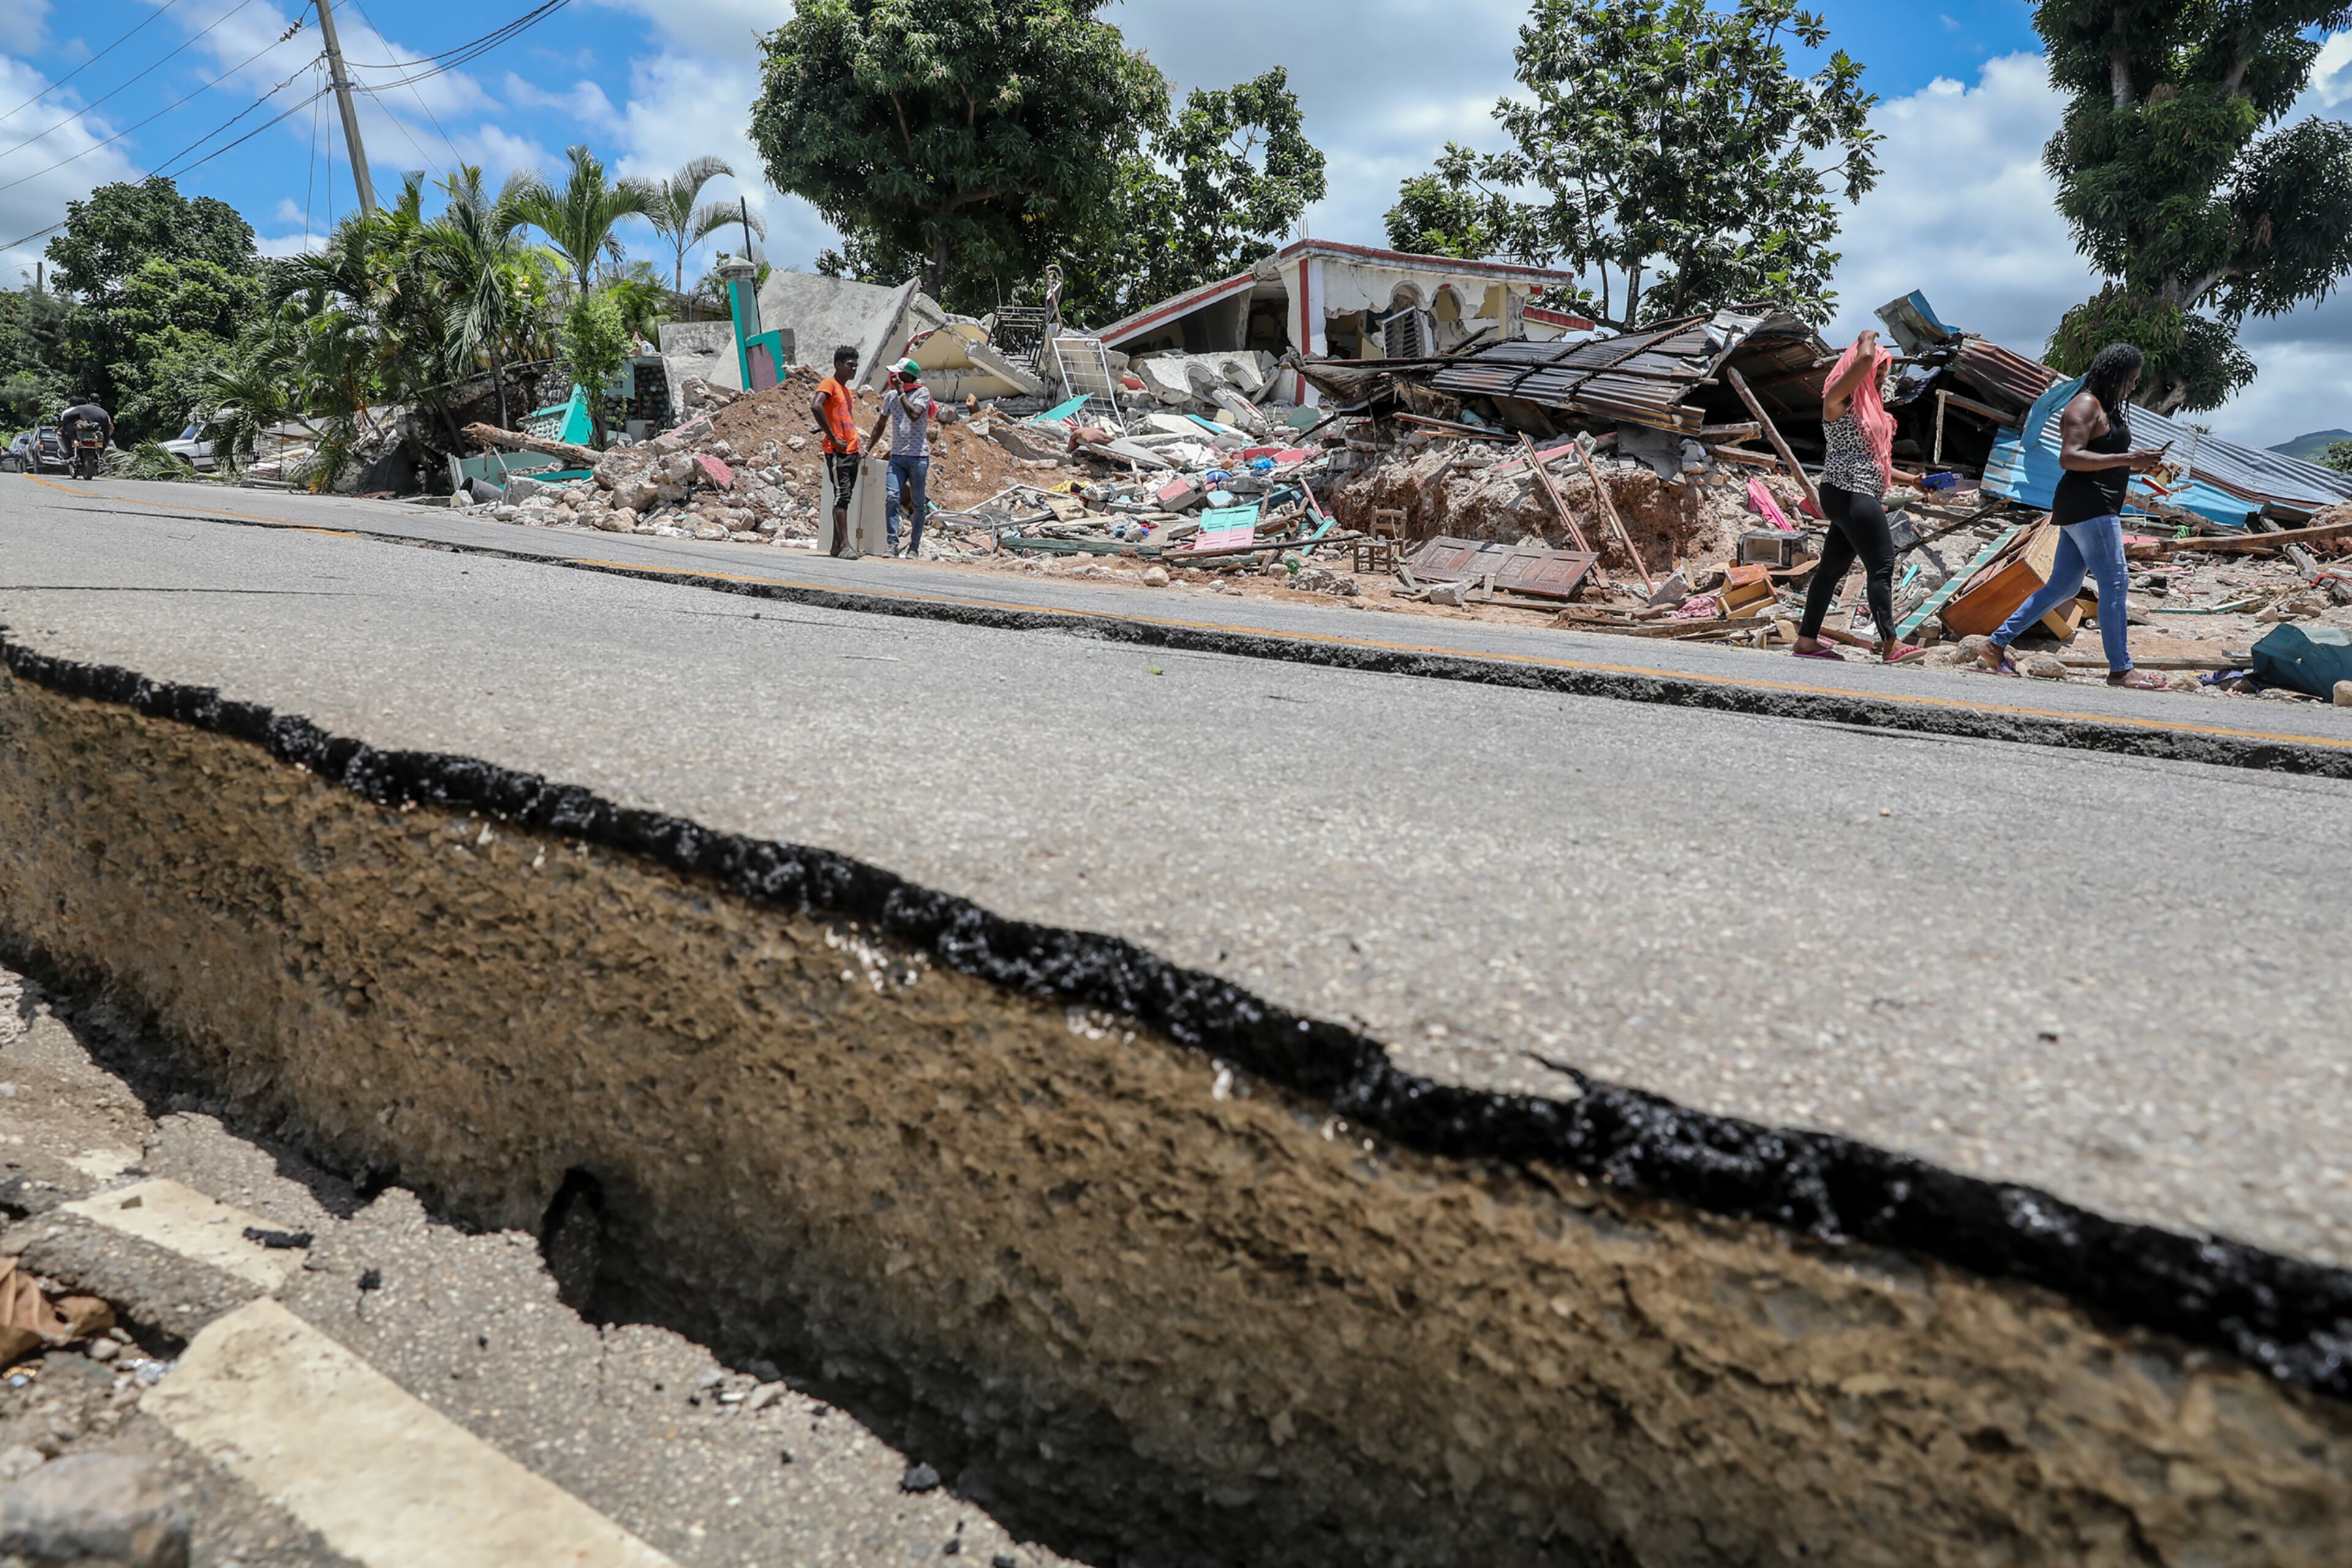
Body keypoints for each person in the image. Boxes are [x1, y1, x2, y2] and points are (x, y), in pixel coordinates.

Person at [1975, 344, 2168, 689]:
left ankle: (1994, 645)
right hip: (2090, 505)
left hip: (2089, 506)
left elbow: (2106, 456)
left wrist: (2142, 464)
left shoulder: (2105, 409)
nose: (2132, 388)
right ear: (2113, 375)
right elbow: (2071, 457)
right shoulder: (2084, 405)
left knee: (2063, 586)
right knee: (2115, 583)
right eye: (2130, 380)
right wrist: (2127, 459)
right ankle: (2121, 670)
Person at [1792, 330, 1928, 663]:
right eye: (1876, 370)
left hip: (1853, 492)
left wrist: (1913, 481)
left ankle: (1807, 640)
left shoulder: (1870, 407)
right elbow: (1864, 357)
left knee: (1831, 570)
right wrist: (1867, 337)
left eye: (1884, 371)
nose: (1880, 375)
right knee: (1882, 565)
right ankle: (1891, 644)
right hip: (1850, 491)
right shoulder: (1837, 399)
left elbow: (1872, 459)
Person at [861, 358, 952, 558]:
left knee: (919, 503)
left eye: (898, 374)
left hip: (918, 457)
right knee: (892, 497)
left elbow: (915, 414)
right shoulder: (891, 397)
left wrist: (902, 392)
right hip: (897, 457)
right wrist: (867, 449)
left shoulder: (922, 393)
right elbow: (880, 425)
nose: (893, 378)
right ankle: (892, 543)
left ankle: (914, 548)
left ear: (908, 376)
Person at [811, 346, 864, 557]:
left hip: (851, 449)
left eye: (856, 365)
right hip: (837, 451)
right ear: (838, 365)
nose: (854, 369)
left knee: (844, 497)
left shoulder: (845, 390)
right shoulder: (829, 384)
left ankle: (837, 546)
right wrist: (833, 437)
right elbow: (816, 407)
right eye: (850, 365)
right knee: (842, 496)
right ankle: (844, 545)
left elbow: (834, 415)